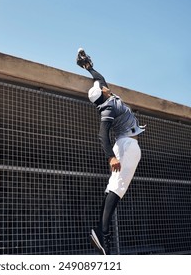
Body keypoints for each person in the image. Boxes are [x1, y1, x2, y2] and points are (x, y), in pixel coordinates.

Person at [76, 48, 145, 255]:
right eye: (103, 88)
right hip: (126, 146)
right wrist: (111, 157)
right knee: (117, 188)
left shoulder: (106, 95)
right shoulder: (107, 109)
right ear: (103, 95)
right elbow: (102, 135)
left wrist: (89, 67)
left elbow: (100, 78)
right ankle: (102, 232)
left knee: (113, 187)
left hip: (125, 145)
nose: (104, 87)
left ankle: (100, 232)